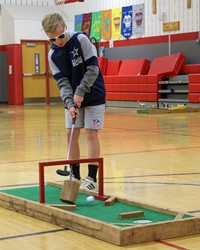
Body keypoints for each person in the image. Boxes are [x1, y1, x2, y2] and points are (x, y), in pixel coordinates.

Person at [42, 13, 106, 191]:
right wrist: (70, 103)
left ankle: (92, 178)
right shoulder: (52, 55)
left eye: (60, 36)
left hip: (93, 96)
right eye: (53, 39)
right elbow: (62, 82)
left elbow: (93, 69)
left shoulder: (81, 39)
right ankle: (74, 175)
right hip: (73, 98)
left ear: (64, 27)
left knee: (91, 134)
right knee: (71, 134)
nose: (58, 41)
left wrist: (80, 92)